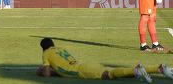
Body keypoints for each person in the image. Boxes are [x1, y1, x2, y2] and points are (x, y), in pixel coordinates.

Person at [37, 38, 173, 83]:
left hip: (81, 70)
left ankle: (137, 69)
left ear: (43, 48)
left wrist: (42, 71)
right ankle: (158, 68)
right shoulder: (59, 49)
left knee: (110, 75)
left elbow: (46, 73)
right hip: (86, 64)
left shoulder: (46, 53)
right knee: (113, 72)